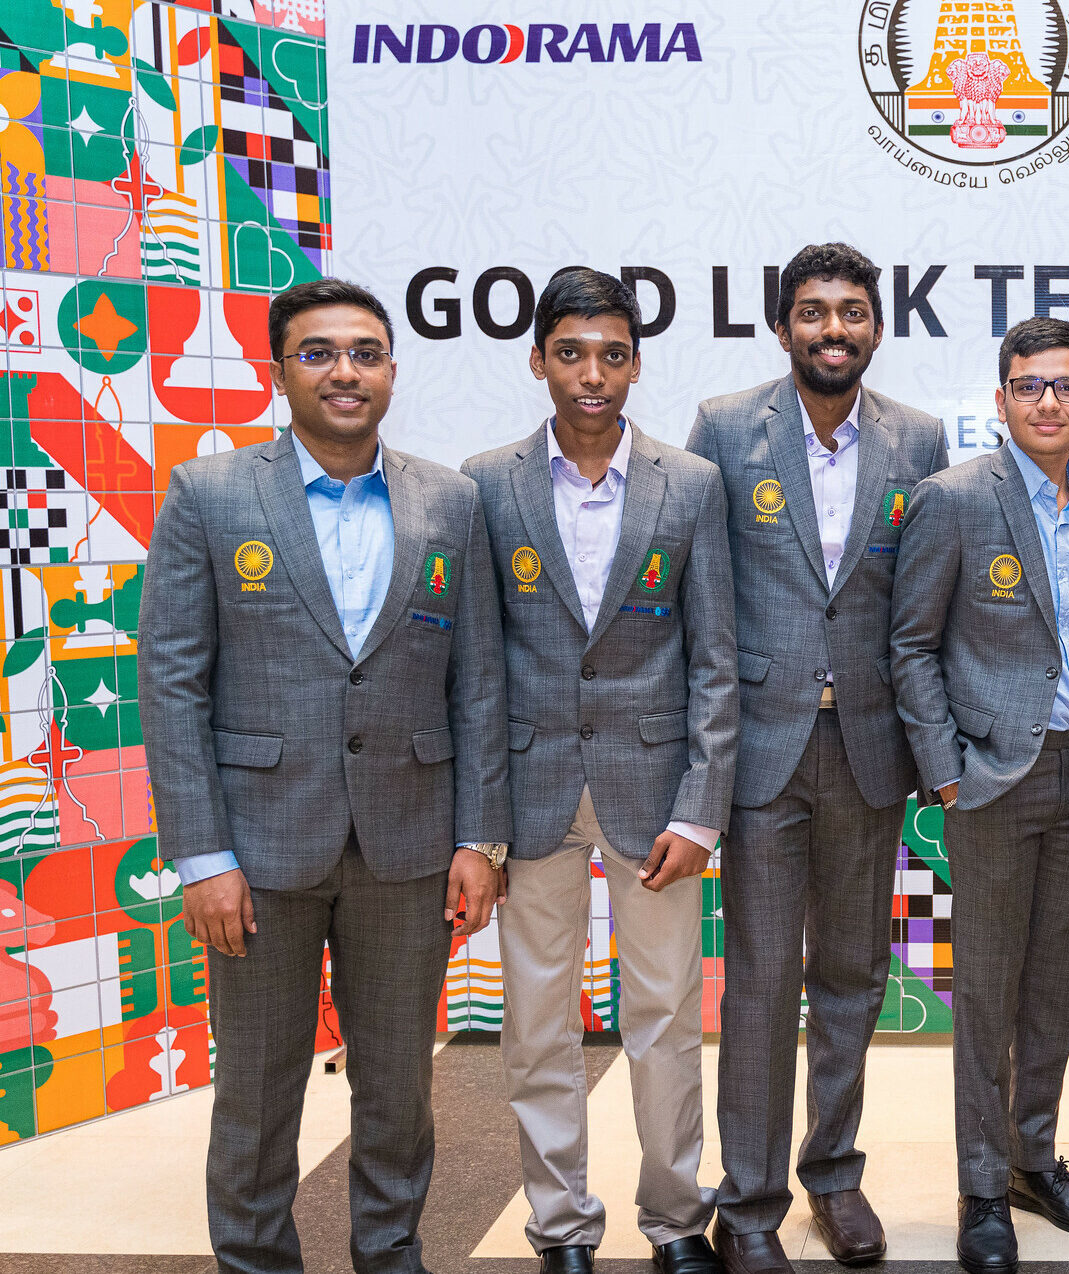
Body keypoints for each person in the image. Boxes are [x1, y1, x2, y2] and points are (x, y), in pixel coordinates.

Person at [138, 278, 510, 1274]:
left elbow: (477, 683)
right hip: (255, 851)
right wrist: (201, 855)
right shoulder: (209, 495)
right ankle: (256, 1259)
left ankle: (390, 1252)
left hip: (410, 843)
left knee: (399, 1087)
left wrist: (480, 837)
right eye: (318, 352)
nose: (343, 370)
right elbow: (172, 684)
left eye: (363, 351)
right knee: (258, 1087)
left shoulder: (450, 501)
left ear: (391, 369)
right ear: (278, 370)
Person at [463, 267, 736, 1274]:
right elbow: (476, 670)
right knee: (536, 1021)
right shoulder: (485, 482)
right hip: (530, 793)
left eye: (612, 354)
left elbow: (714, 660)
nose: (592, 373)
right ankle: (561, 1226)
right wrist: (478, 827)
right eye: (570, 352)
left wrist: (701, 809)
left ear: (635, 364)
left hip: (656, 797)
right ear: (537, 360)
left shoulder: (689, 483)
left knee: (663, 1015)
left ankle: (674, 1218)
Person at [685, 243, 949, 1274]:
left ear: (874, 326)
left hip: (869, 747)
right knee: (756, 980)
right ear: (782, 325)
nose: (831, 328)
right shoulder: (722, 427)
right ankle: (745, 1203)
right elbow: (705, 595)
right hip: (759, 744)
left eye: (849, 312)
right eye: (811, 312)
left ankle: (831, 1175)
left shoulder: (916, 438)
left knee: (850, 972)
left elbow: (924, 596)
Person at [887, 317, 1069, 1274]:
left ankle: (1035, 1158)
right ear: (1000, 401)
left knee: (1055, 985)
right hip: (990, 780)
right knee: (986, 992)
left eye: (1066, 387)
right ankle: (983, 1184)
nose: (1047, 403)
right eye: (1029, 386)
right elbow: (910, 644)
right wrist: (944, 767)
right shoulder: (952, 500)